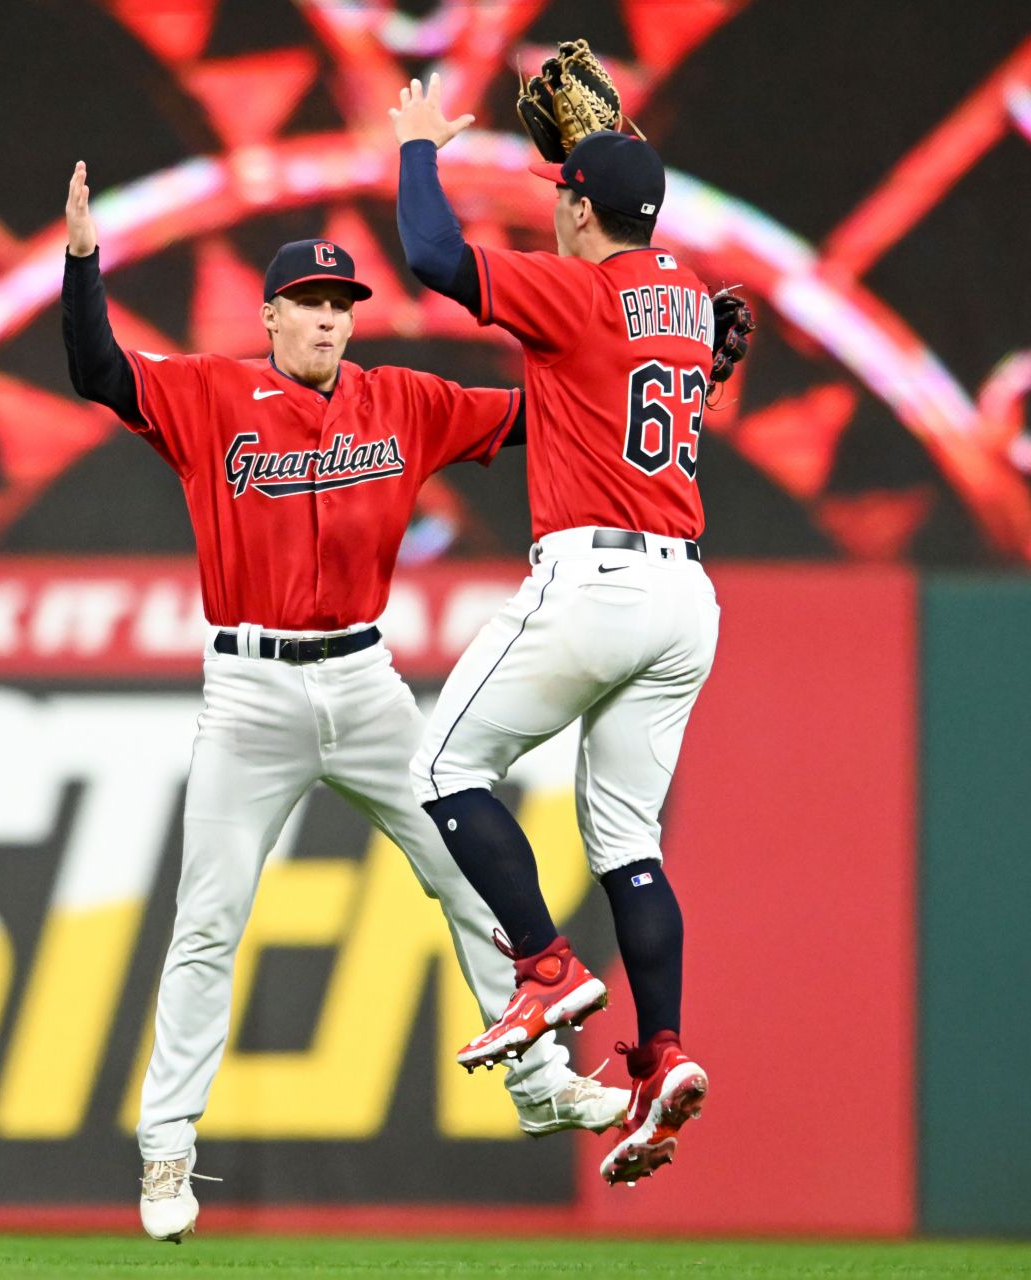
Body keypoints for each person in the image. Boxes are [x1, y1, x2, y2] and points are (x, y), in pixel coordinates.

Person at [60, 161, 627, 1242]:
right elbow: (97, 370)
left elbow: (539, 415)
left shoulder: (401, 398)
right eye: (311, 305)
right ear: (268, 314)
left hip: (368, 684)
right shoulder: (208, 392)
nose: (329, 322)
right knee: (208, 921)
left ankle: (541, 1081)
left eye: (341, 305)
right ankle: (166, 1150)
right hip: (252, 688)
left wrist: (646, 367)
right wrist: (85, 261)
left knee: (468, 881)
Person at [390, 75, 748, 1186]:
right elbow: (693, 335)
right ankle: (663, 1052)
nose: (553, 207)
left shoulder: (582, 293)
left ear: (583, 210)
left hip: (597, 574)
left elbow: (435, 257)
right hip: (687, 597)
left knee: (445, 765)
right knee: (628, 844)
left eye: (562, 194)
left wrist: (415, 151)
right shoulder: (688, 299)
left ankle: (545, 966)